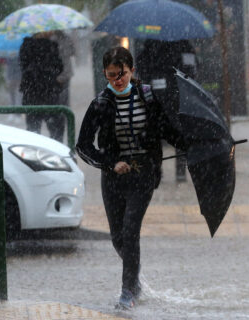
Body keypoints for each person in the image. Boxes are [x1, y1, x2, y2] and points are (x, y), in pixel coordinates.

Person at [76, 46, 186, 309]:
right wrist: (111, 163)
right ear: (105, 73)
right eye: (112, 75)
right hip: (113, 178)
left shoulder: (148, 97)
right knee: (117, 237)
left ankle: (127, 292)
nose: (117, 80)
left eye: (122, 74)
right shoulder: (101, 103)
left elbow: (167, 131)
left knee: (130, 230)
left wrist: (196, 144)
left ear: (131, 70)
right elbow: (83, 146)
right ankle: (133, 275)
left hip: (143, 174)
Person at [136, 39, 198, 182]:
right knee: (177, 133)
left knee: (155, 135)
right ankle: (179, 173)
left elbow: (141, 69)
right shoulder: (183, 44)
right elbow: (191, 69)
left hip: (158, 97)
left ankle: (158, 172)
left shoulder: (149, 45)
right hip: (175, 97)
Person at [19, 31, 64, 141]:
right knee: (56, 130)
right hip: (50, 92)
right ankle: (57, 153)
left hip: (31, 93)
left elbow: (22, 66)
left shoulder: (26, 46)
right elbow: (59, 67)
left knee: (33, 130)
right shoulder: (52, 46)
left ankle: (34, 155)